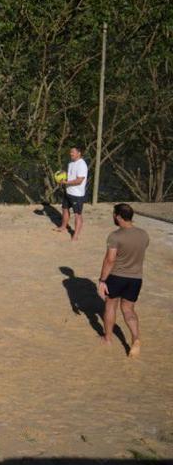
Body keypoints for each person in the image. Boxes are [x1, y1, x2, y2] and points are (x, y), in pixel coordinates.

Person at [97, 202, 149, 358]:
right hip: (136, 278)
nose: (113, 216)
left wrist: (102, 280)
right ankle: (135, 338)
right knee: (128, 310)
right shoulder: (143, 234)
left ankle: (108, 338)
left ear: (119, 217)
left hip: (117, 276)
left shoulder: (115, 236)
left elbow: (110, 260)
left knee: (110, 305)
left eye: (114, 214)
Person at [58, 147, 89, 242]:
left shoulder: (82, 165)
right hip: (68, 191)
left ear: (79, 153)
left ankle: (75, 235)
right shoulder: (70, 163)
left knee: (77, 215)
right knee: (64, 209)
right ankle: (63, 227)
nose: (71, 154)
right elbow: (70, 176)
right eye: (70, 152)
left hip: (77, 194)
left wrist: (66, 182)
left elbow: (79, 180)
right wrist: (62, 176)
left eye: (73, 152)